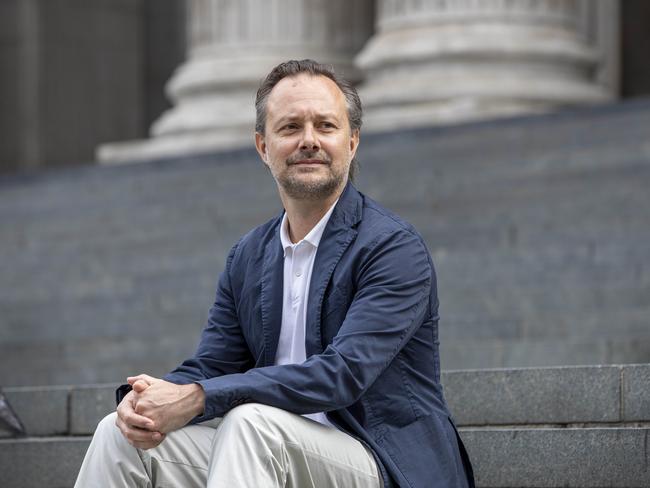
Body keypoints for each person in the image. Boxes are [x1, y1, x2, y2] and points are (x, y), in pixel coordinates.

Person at [75, 59, 474, 488]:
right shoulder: (248, 255)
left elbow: (342, 375)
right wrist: (144, 402)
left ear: (352, 142)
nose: (309, 140)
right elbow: (213, 364)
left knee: (251, 423)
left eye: (325, 126)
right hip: (263, 455)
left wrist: (199, 397)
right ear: (263, 147)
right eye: (290, 128)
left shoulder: (392, 247)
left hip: (384, 461)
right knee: (119, 437)